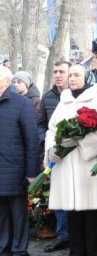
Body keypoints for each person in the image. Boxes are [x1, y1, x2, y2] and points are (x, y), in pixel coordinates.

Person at [45, 64, 97, 255]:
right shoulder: (64, 101)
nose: (72, 78)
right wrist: (54, 149)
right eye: (71, 75)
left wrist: (80, 141)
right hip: (67, 166)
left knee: (92, 219)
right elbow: (52, 129)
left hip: (89, 166)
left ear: (87, 77)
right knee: (73, 217)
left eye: (77, 75)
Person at [0, 65, 40, 256]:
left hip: (15, 172)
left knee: (18, 215)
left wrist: (32, 173)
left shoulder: (21, 103)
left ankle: (19, 251)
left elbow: (32, 140)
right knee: (1, 217)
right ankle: (4, 249)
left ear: (7, 82)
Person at [38, 60, 71, 253]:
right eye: (55, 71)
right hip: (54, 154)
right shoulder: (48, 97)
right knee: (58, 194)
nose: (58, 75)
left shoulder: (79, 95)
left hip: (74, 152)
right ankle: (63, 235)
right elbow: (41, 123)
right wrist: (48, 139)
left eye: (62, 72)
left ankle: (77, 234)